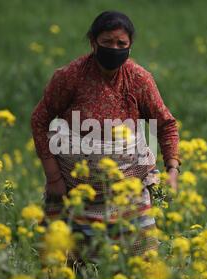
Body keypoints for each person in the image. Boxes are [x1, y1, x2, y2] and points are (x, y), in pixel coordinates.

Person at [31, 11, 181, 259]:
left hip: (128, 190)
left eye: (121, 44)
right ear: (93, 42)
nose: (114, 48)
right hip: (73, 190)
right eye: (107, 42)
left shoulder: (139, 79)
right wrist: (53, 177)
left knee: (141, 262)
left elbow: (165, 125)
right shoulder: (70, 76)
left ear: (130, 47)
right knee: (69, 263)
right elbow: (40, 119)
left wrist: (172, 171)